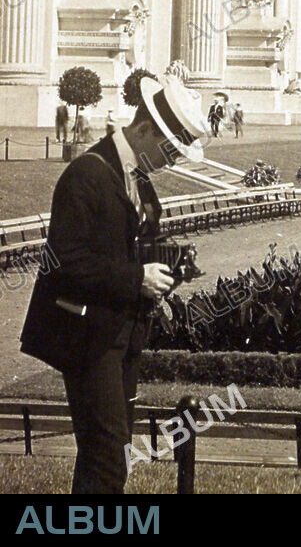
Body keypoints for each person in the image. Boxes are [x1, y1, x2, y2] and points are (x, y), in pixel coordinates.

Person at [20, 76, 209, 494]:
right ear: (144, 128)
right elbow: (65, 261)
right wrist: (137, 277)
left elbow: (127, 246)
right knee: (108, 450)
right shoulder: (86, 174)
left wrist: (168, 264)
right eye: (170, 150)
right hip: (87, 335)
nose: (173, 162)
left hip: (122, 332)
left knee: (109, 451)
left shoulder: (138, 178)